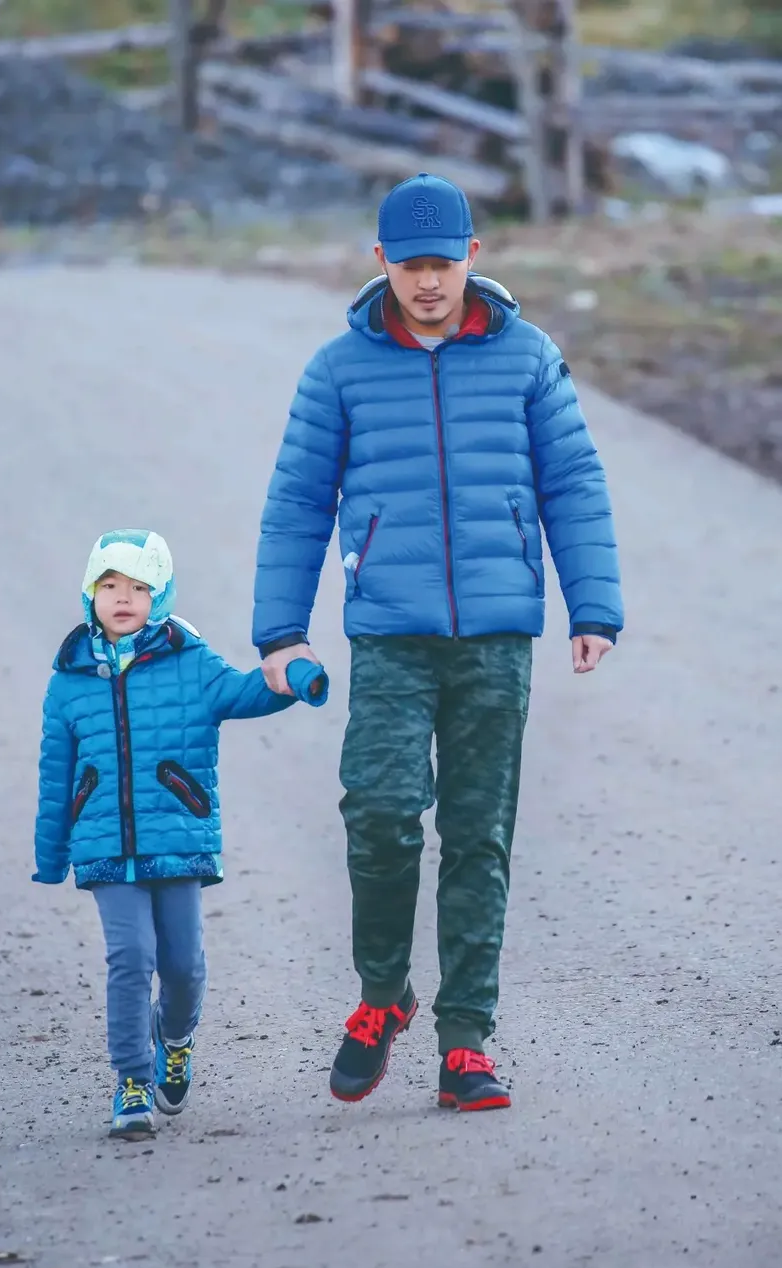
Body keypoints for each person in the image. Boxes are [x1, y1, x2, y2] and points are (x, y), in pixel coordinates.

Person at [253, 173, 624, 1113]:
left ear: (473, 259)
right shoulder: (339, 368)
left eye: (443, 264)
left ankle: (466, 1039)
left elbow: (573, 483)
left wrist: (593, 607)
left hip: (497, 636)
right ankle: (384, 994)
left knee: (478, 836)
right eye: (411, 266)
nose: (428, 283)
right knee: (378, 815)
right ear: (381, 262)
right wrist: (281, 633)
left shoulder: (528, 357)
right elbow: (297, 504)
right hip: (389, 635)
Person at [33, 529, 328, 1139]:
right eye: (109, 585)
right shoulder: (68, 679)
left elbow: (246, 693)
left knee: (184, 965)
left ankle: (174, 1038)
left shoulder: (190, 662)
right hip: (104, 847)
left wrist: (293, 677)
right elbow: (56, 772)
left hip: (178, 838)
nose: (123, 598)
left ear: (160, 596)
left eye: (139, 587)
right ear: (90, 593)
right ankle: (132, 1081)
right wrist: (51, 851)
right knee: (129, 958)